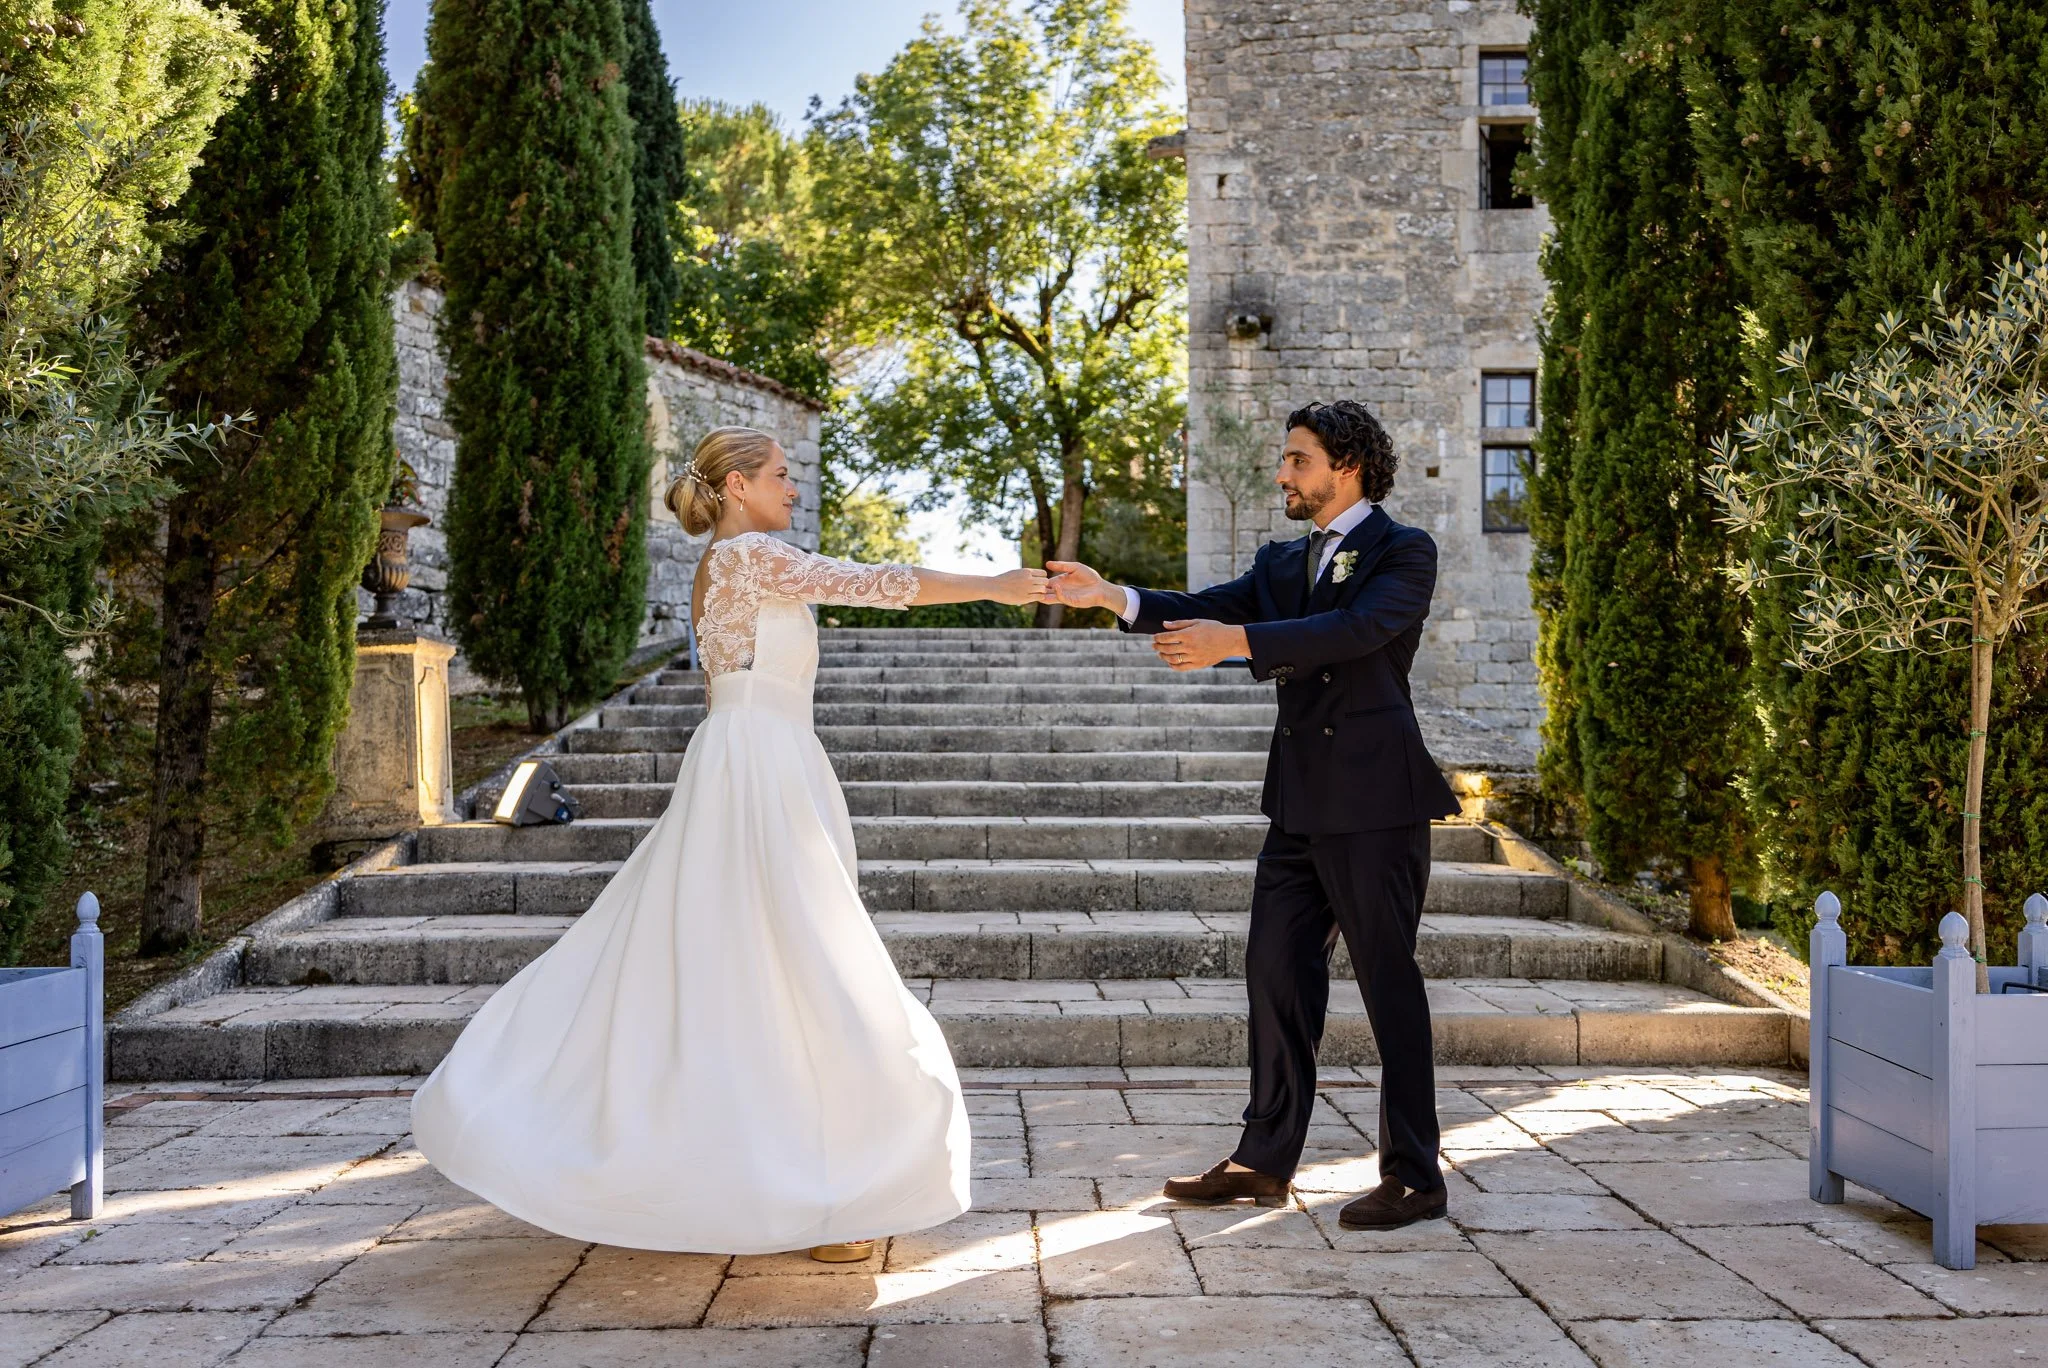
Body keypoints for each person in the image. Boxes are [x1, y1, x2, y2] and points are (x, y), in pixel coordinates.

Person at [412, 425, 1054, 1262]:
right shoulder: (747, 556)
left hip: (767, 757)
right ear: (740, 485)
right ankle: (831, 1191)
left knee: (767, 963)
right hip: (757, 767)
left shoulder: (734, 562)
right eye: (782, 474)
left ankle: (802, 1182)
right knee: (805, 957)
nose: (794, 487)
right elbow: (878, 582)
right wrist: (997, 585)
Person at [1047, 399, 1458, 1230]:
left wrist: (1234, 644)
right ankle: (1263, 1161)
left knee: (1388, 984)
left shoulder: (1403, 550)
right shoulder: (1282, 560)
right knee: (1273, 975)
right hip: (1299, 804)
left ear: (1347, 466)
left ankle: (1416, 1176)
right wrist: (1112, 596)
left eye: (1298, 460)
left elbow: (1356, 628)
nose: (1282, 474)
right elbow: (1207, 603)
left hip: (1377, 803)